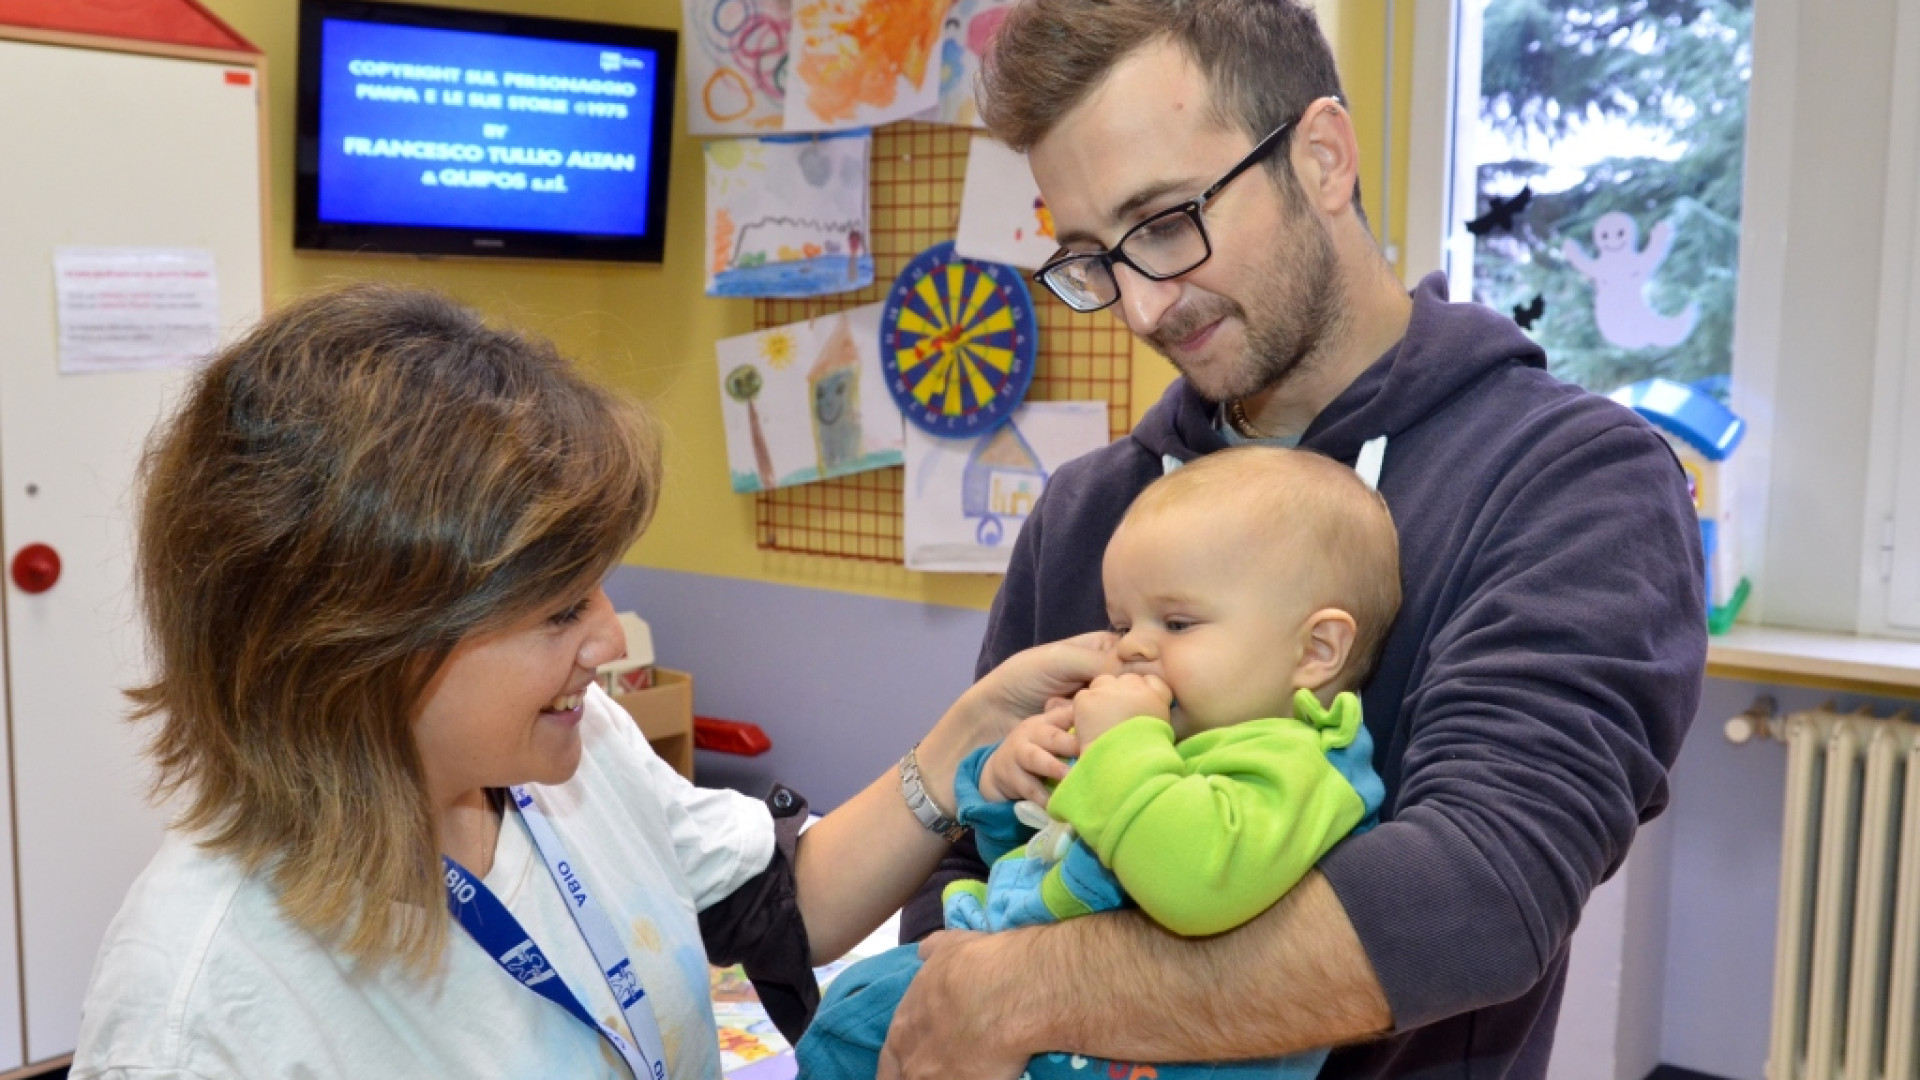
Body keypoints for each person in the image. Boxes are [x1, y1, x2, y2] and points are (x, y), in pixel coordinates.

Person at [883, 3, 1708, 1079]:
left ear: (1322, 156)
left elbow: (1482, 896)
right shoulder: (1089, 508)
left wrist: (1026, 991)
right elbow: (968, 866)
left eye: (1168, 221)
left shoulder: (1574, 484)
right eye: (1092, 259)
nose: (1139, 305)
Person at [70, 283, 1111, 1080]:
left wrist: (971, 728)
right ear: (364, 641)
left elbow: (775, 908)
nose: (610, 639)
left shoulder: (576, 748)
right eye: (561, 609)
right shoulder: (199, 1011)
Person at [797, 446, 1401, 1080]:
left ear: (1316, 650)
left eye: (1177, 621)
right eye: (1121, 622)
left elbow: (1194, 883)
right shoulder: (1163, 745)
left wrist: (1121, 748)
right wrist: (1010, 791)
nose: (1134, 646)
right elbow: (1050, 866)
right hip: (1011, 1009)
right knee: (844, 1018)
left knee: (843, 1037)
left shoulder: (1301, 765)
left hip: (1125, 1050)